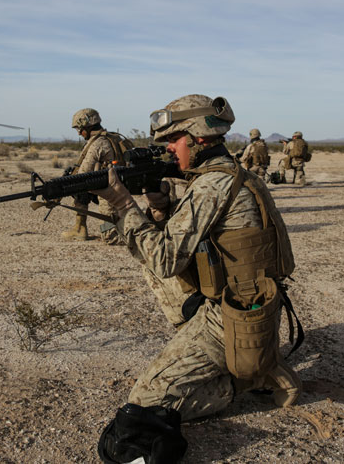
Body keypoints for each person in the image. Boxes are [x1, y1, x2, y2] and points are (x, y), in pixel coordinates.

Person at [92, 95, 302, 464]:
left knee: (145, 401)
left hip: (231, 316)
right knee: (148, 263)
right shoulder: (231, 173)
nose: (169, 149)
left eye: (174, 140)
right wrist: (161, 206)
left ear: (198, 137)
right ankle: (232, 358)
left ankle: (248, 377)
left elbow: (165, 257)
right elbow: (191, 243)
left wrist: (123, 204)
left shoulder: (211, 185)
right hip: (246, 300)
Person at [61, 108, 133, 243]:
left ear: (87, 126)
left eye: (79, 129)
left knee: (110, 237)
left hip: (110, 193)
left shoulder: (98, 143)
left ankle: (138, 236)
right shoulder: (114, 137)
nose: (79, 133)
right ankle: (79, 229)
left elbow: (83, 174)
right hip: (123, 187)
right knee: (81, 193)